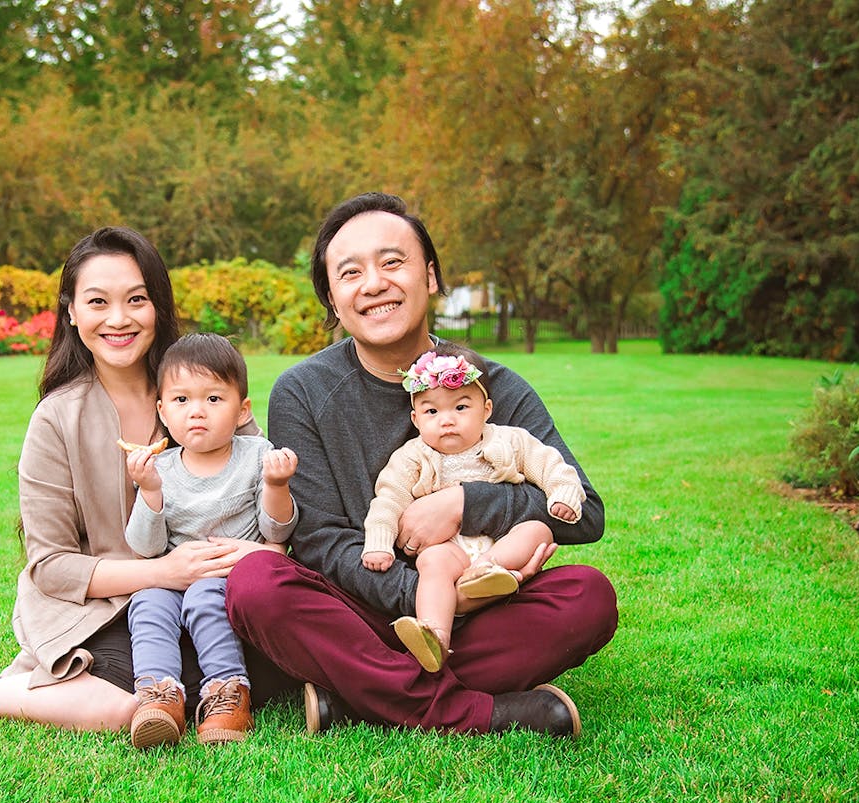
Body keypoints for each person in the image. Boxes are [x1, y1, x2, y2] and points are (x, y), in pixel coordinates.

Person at [0, 227, 291, 727]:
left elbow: (259, 493)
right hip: (101, 600)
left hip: (208, 591)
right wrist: (164, 573)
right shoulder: (57, 418)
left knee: (261, 664)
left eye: (137, 300)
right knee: (125, 703)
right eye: (98, 301)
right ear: (72, 312)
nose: (119, 319)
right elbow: (52, 565)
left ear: (158, 307)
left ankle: (18, 687)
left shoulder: (205, 393)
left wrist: (259, 554)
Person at [224, 192, 618, 738]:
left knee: (587, 597)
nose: (374, 284)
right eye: (351, 273)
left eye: (392, 262)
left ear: (430, 277)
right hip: (357, 610)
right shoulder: (303, 391)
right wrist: (428, 597)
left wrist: (464, 504)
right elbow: (318, 542)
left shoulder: (491, 385)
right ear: (334, 301)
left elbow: (586, 512)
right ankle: (474, 711)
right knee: (256, 582)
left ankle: (358, 695)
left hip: (485, 599)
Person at [362, 340, 586, 673]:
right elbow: (388, 500)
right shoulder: (412, 457)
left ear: (487, 409)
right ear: (416, 418)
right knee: (433, 564)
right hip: (448, 548)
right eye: (432, 411)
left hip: (500, 546)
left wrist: (562, 493)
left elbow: (549, 464)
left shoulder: (510, 441)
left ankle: (486, 573)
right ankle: (434, 636)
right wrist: (379, 543)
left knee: (537, 529)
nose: (447, 421)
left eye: (461, 408)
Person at [123, 333, 299, 749]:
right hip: (174, 574)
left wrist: (276, 485)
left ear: (242, 411)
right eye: (182, 400)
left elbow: (278, 533)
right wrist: (149, 492)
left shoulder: (257, 455)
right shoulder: (159, 467)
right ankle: (159, 694)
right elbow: (146, 548)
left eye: (214, 399)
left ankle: (227, 692)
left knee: (205, 597)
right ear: (163, 411)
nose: (197, 412)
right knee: (147, 600)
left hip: (229, 574)